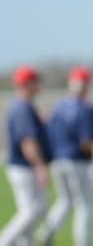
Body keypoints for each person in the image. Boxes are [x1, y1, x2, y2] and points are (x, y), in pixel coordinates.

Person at [37, 67, 93, 246]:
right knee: (83, 205)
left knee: (65, 201)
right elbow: (86, 142)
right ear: (85, 86)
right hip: (76, 161)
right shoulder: (83, 108)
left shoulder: (58, 107)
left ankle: (46, 232)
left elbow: (48, 134)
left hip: (57, 160)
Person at [0, 66, 51, 246]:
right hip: (24, 167)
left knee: (32, 214)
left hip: (23, 167)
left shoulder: (24, 106)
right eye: (36, 81)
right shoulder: (22, 108)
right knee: (30, 212)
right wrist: (41, 167)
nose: (39, 85)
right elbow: (28, 143)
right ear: (27, 84)